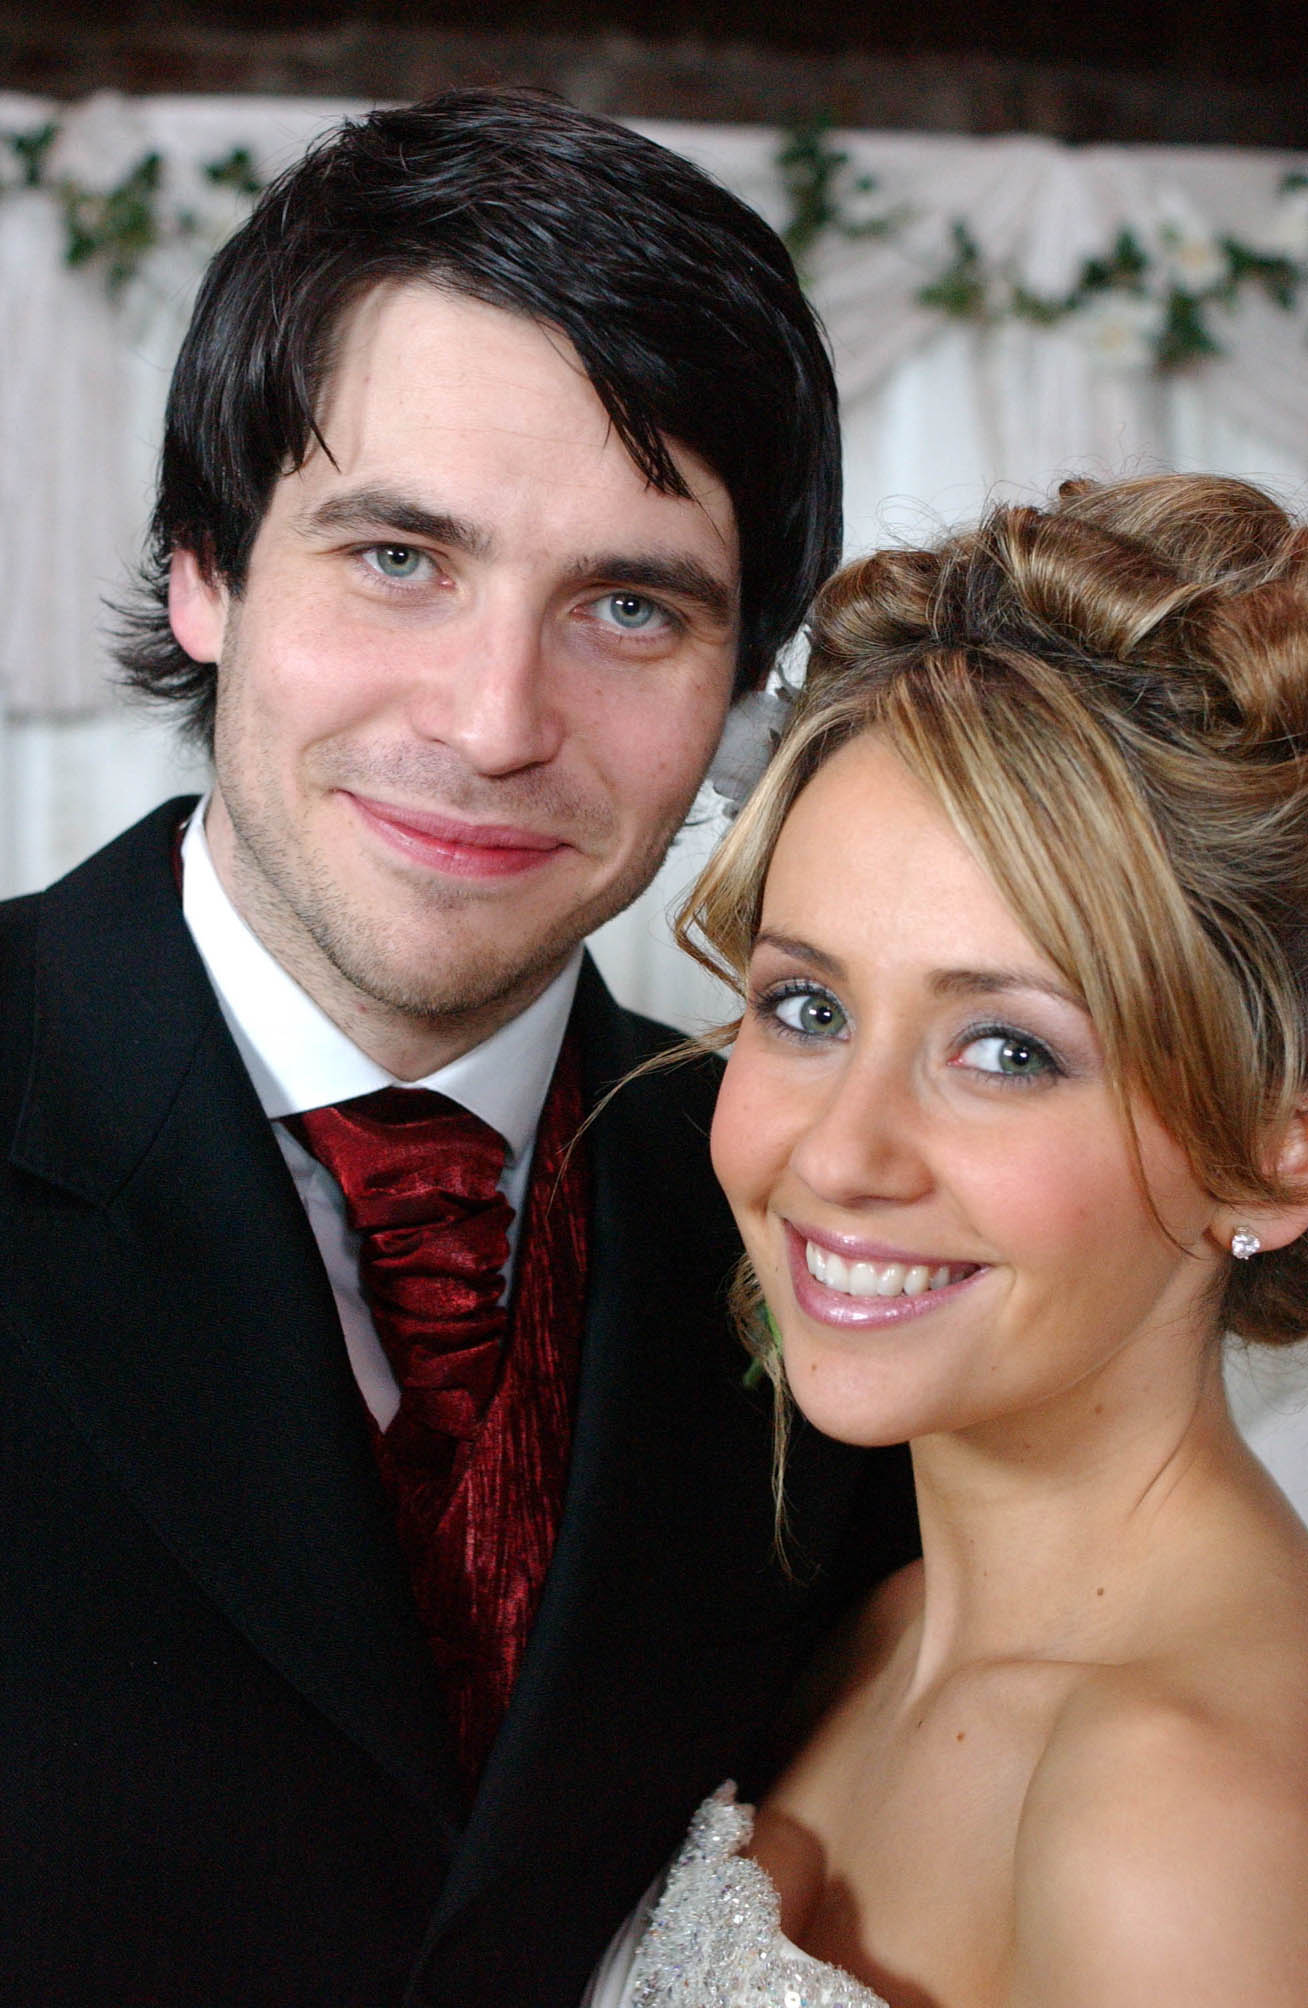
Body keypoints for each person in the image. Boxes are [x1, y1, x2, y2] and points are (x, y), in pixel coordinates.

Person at [0, 91, 918, 2008]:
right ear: (204, 569)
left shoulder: (835, 1216)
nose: (497, 721)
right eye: (401, 558)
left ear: (739, 685)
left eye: (631, 606)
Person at [589, 473, 1308, 2006]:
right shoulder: (866, 1629)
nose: (840, 1155)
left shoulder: (1184, 1824)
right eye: (808, 1007)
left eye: (1006, 1050)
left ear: (1268, 1150)